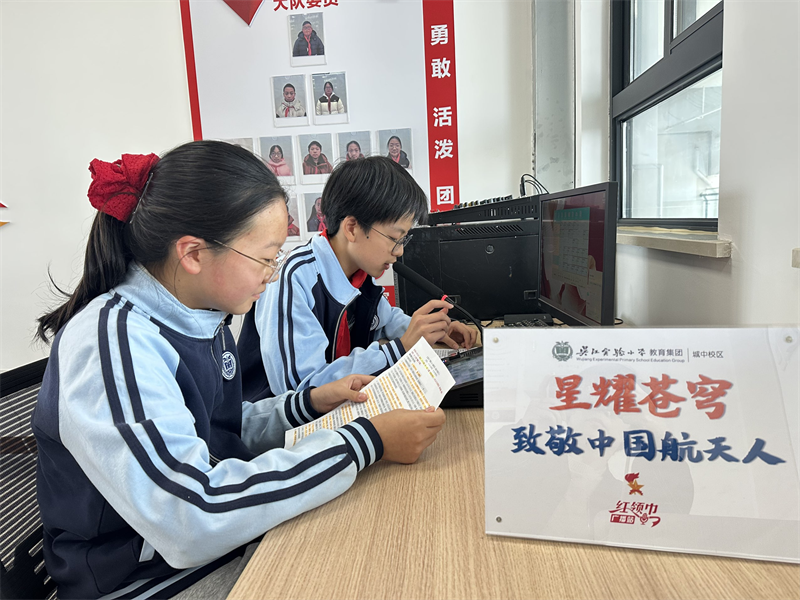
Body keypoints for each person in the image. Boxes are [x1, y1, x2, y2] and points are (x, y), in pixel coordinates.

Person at [32, 141, 445, 600]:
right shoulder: (114, 341)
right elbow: (190, 519)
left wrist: (306, 404)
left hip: (209, 543)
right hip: (143, 579)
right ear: (193, 253)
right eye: (266, 257)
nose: (273, 272)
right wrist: (364, 442)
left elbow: (217, 430)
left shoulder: (200, 316)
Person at [237, 156, 478, 400]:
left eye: (404, 239)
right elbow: (303, 390)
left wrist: (435, 330)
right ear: (352, 228)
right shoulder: (293, 277)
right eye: (395, 238)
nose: (399, 251)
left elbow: (385, 319)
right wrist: (400, 348)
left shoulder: (357, 272)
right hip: (279, 420)